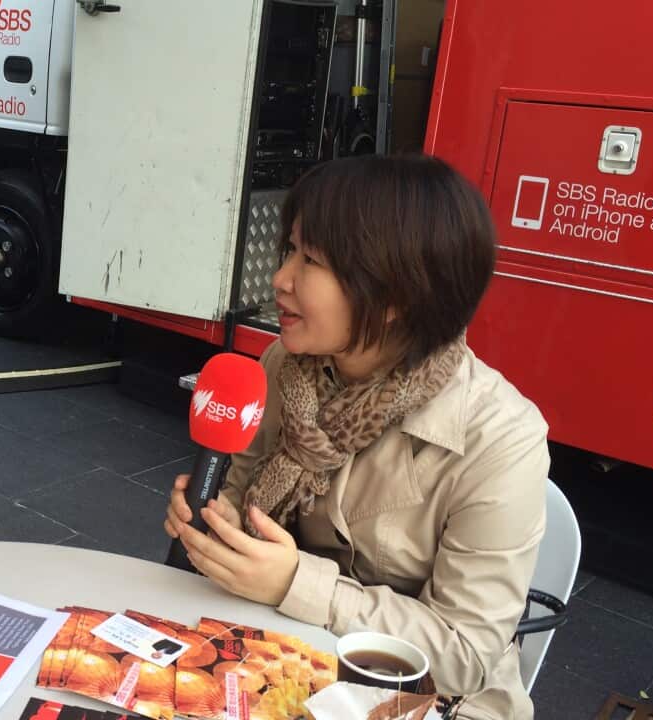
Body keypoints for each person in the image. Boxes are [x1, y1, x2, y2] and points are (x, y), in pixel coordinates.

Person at [164, 155, 548, 719]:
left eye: (311, 260)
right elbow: (242, 494)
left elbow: (464, 654)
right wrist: (212, 525)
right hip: (277, 655)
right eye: (289, 250)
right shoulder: (284, 366)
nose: (280, 279)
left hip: (424, 699)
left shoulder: (502, 439)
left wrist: (296, 584)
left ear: (396, 296)